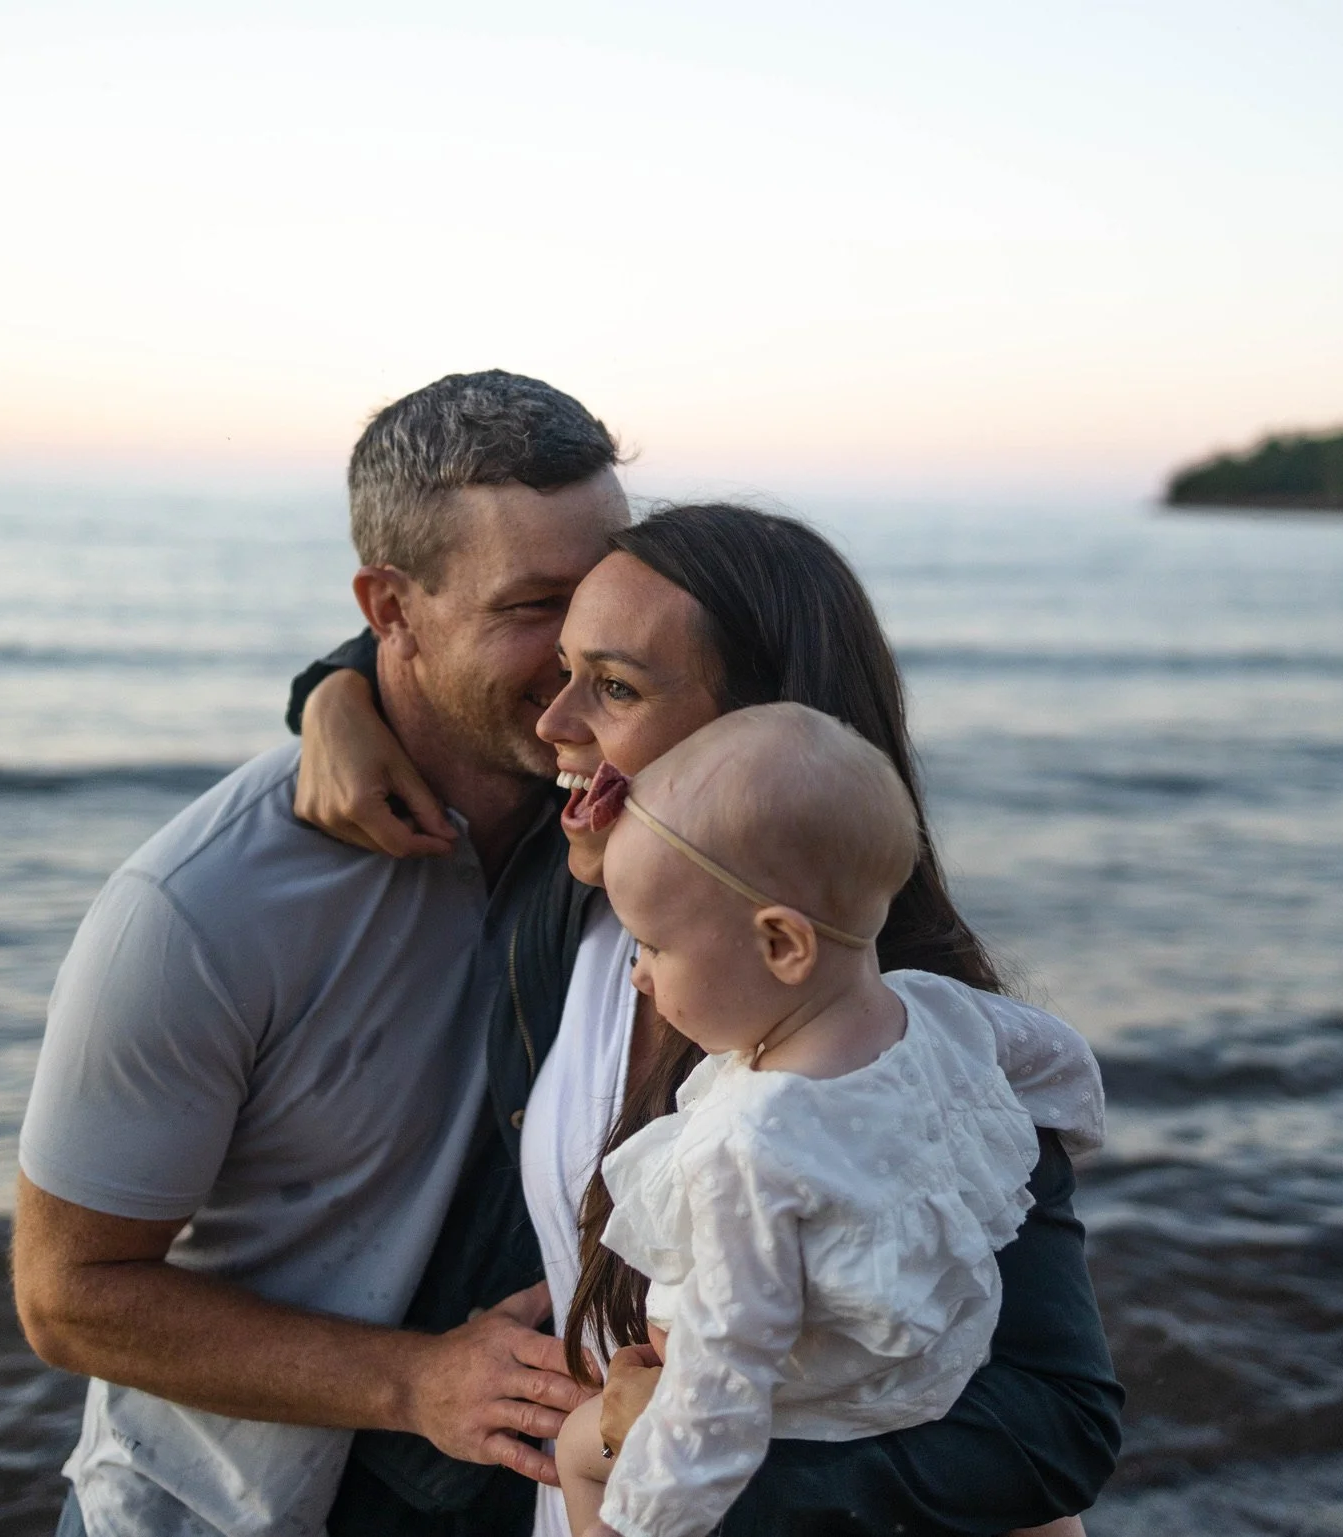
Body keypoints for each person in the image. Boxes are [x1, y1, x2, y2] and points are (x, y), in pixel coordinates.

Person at [294, 501, 1124, 1536]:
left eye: (612, 687)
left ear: (768, 730)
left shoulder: (894, 1043)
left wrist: (653, 1453)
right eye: (561, 670)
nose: (552, 723)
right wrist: (332, 694)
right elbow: (440, 631)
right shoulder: (590, 899)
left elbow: (1055, 1425)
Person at [11, 370, 626, 1537]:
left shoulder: (624, 821)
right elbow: (67, 1297)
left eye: (603, 585)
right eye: (531, 606)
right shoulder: (196, 911)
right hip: (217, 1515)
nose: (586, 643)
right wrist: (414, 1382)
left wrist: (332, 689)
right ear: (389, 608)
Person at [536, 705, 1103, 1537]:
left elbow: (731, 1364)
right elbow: (1058, 1060)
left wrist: (656, 1506)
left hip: (818, 1416)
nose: (639, 979)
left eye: (651, 946)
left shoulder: (754, 1140)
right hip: (938, 1375)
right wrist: (1067, 1144)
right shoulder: (935, 1010)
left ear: (781, 946)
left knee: (582, 1451)